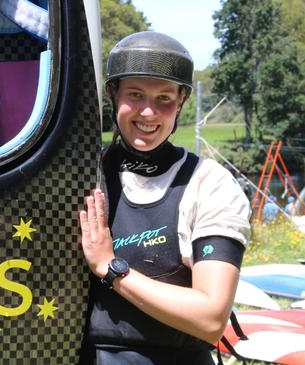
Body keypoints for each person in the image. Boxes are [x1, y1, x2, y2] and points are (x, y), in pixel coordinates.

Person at [77, 31, 250, 364]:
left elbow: (211, 318)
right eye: (136, 95)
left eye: (164, 98)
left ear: (182, 100)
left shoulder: (210, 183)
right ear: (112, 94)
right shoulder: (80, 174)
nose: (148, 113)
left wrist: (111, 268)